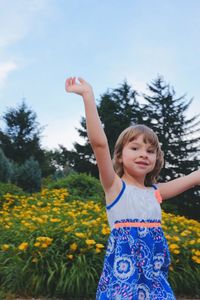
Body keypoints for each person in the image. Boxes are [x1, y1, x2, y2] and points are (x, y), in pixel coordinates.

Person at [65, 77, 200, 300]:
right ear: (119, 155)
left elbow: (194, 177)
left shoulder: (156, 192)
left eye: (150, 151)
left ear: (157, 159)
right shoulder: (115, 187)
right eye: (135, 147)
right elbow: (99, 144)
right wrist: (88, 96)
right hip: (123, 279)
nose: (143, 155)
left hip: (154, 279)